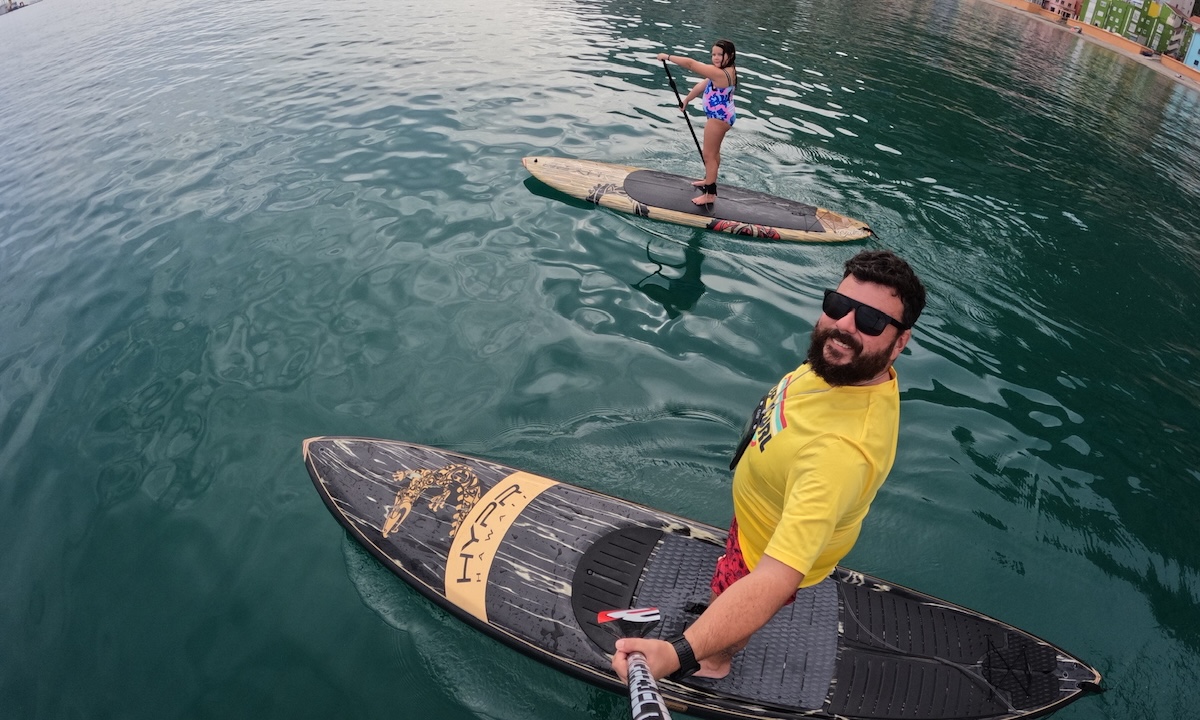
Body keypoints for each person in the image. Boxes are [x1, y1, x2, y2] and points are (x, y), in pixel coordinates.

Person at [612, 250, 926, 682]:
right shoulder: (843, 369)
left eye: (871, 321)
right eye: (837, 306)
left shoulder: (839, 454)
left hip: (762, 558)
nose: (844, 327)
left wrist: (676, 654)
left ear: (900, 341)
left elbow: (775, 580)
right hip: (760, 518)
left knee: (737, 600)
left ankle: (716, 661)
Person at [657, 41, 738, 206]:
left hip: (718, 118)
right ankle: (709, 180)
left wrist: (668, 57)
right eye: (713, 54)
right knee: (713, 154)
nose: (716, 57)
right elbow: (702, 85)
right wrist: (687, 99)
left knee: (708, 155)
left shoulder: (721, 74)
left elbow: (691, 64)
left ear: (729, 55)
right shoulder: (722, 71)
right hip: (723, 115)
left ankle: (710, 194)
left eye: (720, 54)